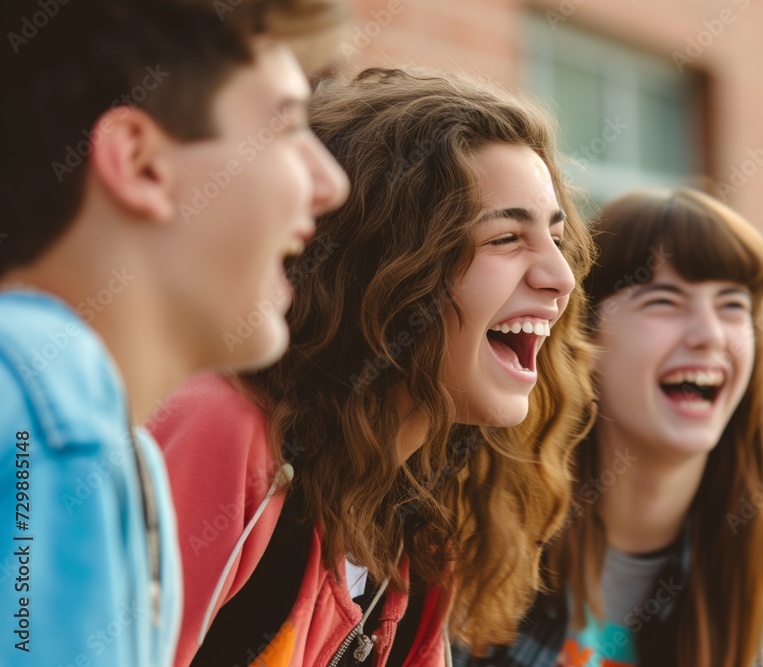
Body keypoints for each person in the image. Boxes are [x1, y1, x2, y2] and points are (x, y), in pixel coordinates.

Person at [148, 66, 597, 666]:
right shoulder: (227, 430)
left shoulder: (421, 533)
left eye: (556, 240)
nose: (560, 277)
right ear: (379, 268)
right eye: (505, 239)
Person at [0, 1, 349, 664]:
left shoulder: (116, 446)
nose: (330, 183)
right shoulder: (48, 404)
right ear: (139, 161)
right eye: (284, 127)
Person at [455, 188, 763, 667]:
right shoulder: (476, 542)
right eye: (665, 301)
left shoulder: (739, 564)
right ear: (583, 333)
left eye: (732, 306)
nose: (710, 335)